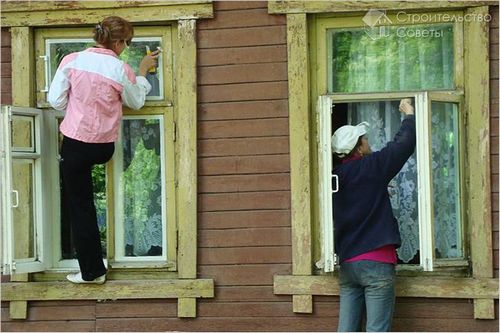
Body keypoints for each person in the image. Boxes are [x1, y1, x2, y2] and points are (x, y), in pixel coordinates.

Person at [48, 16, 160, 284]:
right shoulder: (120, 69)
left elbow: (55, 101)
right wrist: (143, 72)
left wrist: (77, 106)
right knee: (101, 194)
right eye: (128, 43)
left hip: (75, 144)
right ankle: (114, 250)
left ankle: (92, 271)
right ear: (119, 42)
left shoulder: (72, 61)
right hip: (104, 147)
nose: (127, 47)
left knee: (80, 205)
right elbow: (135, 102)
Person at [331, 99, 416, 332]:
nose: (368, 141)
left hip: (348, 265)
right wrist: (409, 115)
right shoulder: (372, 167)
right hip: (376, 262)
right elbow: (403, 144)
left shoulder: (334, 178)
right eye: (365, 139)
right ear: (358, 148)